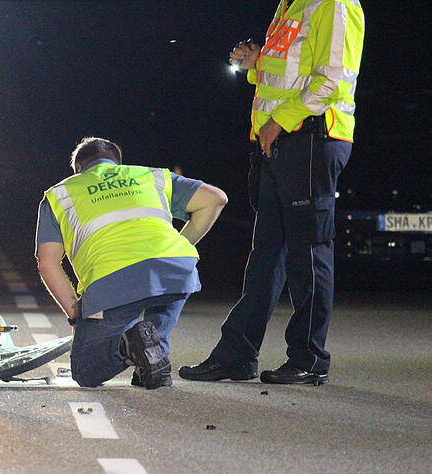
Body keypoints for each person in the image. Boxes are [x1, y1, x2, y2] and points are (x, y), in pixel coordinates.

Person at [179, 0, 364, 385]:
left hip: (312, 137)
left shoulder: (336, 4)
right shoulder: (290, 5)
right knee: (266, 256)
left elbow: (333, 80)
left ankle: (309, 358)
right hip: (279, 144)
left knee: (309, 254)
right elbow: (289, 73)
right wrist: (256, 64)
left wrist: (279, 122)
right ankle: (237, 355)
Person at [36, 137, 228, 389]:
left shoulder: (60, 194)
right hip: (176, 270)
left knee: (86, 371)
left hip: (112, 280)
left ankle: (129, 350)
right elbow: (216, 198)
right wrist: (181, 245)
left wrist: (75, 314)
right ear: (117, 162)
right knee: (155, 318)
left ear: (78, 168)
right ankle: (150, 359)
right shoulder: (149, 175)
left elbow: (47, 263)